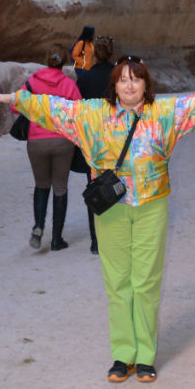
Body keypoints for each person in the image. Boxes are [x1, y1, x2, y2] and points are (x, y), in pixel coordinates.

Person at [0, 57, 195, 382]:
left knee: (147, 282)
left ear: (145, 85)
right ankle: (123, 355)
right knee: (118, 282)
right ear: (114, 85)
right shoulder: (94, 114)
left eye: (135, 79)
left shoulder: (163, 114)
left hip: (151, 206)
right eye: (123, 79)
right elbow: (54, 108)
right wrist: (15, 99)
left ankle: (145, 356)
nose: (129, 85)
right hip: (111, 210)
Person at [23, 49, 82, 251]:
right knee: (60, 187)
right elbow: (79, 112)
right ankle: (57, 239)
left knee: (41, 185)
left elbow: (16, 105)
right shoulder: (69, 84)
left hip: (36, 141)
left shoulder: (32, 81)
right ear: (63, 62)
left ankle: (38, 226)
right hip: (62, 141)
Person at [73, 35, 115, 254]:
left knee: (94, 188)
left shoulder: (85, 79)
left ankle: (96, 241)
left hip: (91, 141)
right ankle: (114, 237)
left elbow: (78, 109)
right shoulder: (119, 77)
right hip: (115, 140)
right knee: (117, 185)